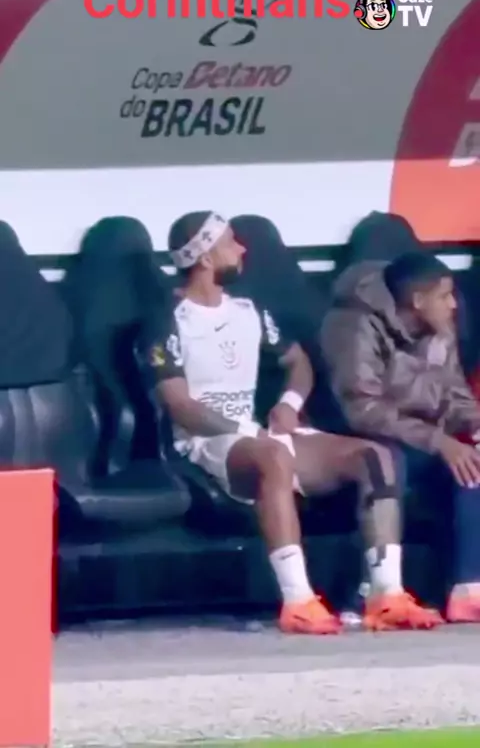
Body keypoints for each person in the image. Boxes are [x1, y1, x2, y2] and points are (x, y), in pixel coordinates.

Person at [138, 211, 442, 633]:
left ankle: (386, 594)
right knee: (272, 457)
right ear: (205, 258)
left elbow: (298, 363)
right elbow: (180, 405)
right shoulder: (167, 320)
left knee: (376, 457)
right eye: (230, 242)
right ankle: (298, 601)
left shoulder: (248, 310)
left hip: (257, 432)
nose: (241, 249)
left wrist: (289, 403)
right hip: (205, 441)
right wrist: (246, 431)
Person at [321, 251, 480, 622]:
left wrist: (475, 425)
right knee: (389, 463)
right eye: (445, 296)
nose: (454, 305)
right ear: (418, 300)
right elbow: (362, 409)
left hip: (423, 438)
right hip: (357, 438)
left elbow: (456, 395)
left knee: (473, 465)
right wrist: (439, 442)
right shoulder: (354, 323)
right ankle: (370, 591)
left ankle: (468, 588)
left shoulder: (441, 329)